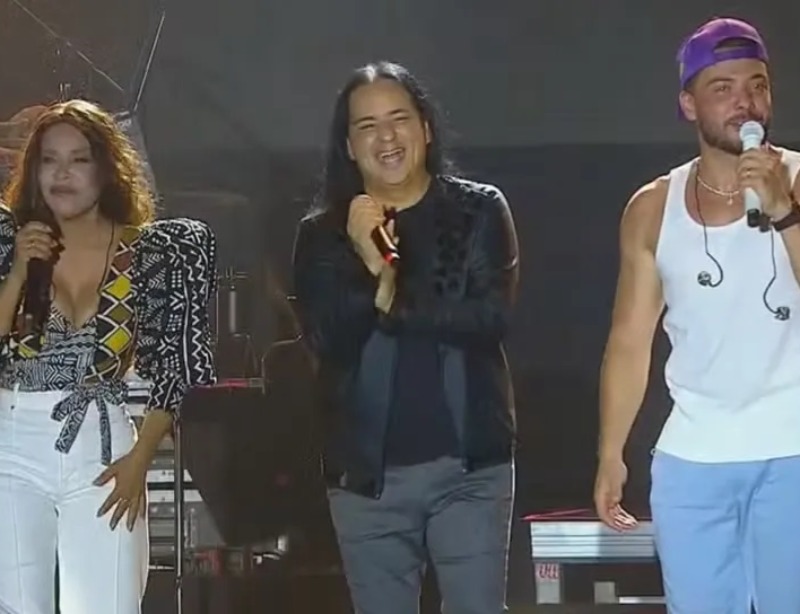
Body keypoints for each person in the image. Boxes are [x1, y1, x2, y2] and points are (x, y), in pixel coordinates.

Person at [292, 61, 519, 614]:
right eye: (367, 126)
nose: (386, 137)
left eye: (399, 119)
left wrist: (392, 294)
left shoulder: (478, 210)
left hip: (470, 469)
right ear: (349, 146)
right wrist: (369, 265)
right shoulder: (322, 234)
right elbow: (324, 339)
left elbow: (489, 319)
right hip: (367, 481)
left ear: (426, 128)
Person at [594, 17, 800, 613]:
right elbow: (630, 341)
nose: (745, 103)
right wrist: (611, 452)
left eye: (757, 85)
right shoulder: (652, 207)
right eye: (723, 88)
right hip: (694, 459)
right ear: (689, 104)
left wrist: (785, 212)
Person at [0, 99, 217, 614]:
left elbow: (176, 367)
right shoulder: (11, 242)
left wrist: (141, 460)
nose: (62, 174)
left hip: (105, 448)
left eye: (79, 159)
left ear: (107, 168)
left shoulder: (155, 251)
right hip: (13, 441)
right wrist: (18, 271)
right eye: (49, 160)